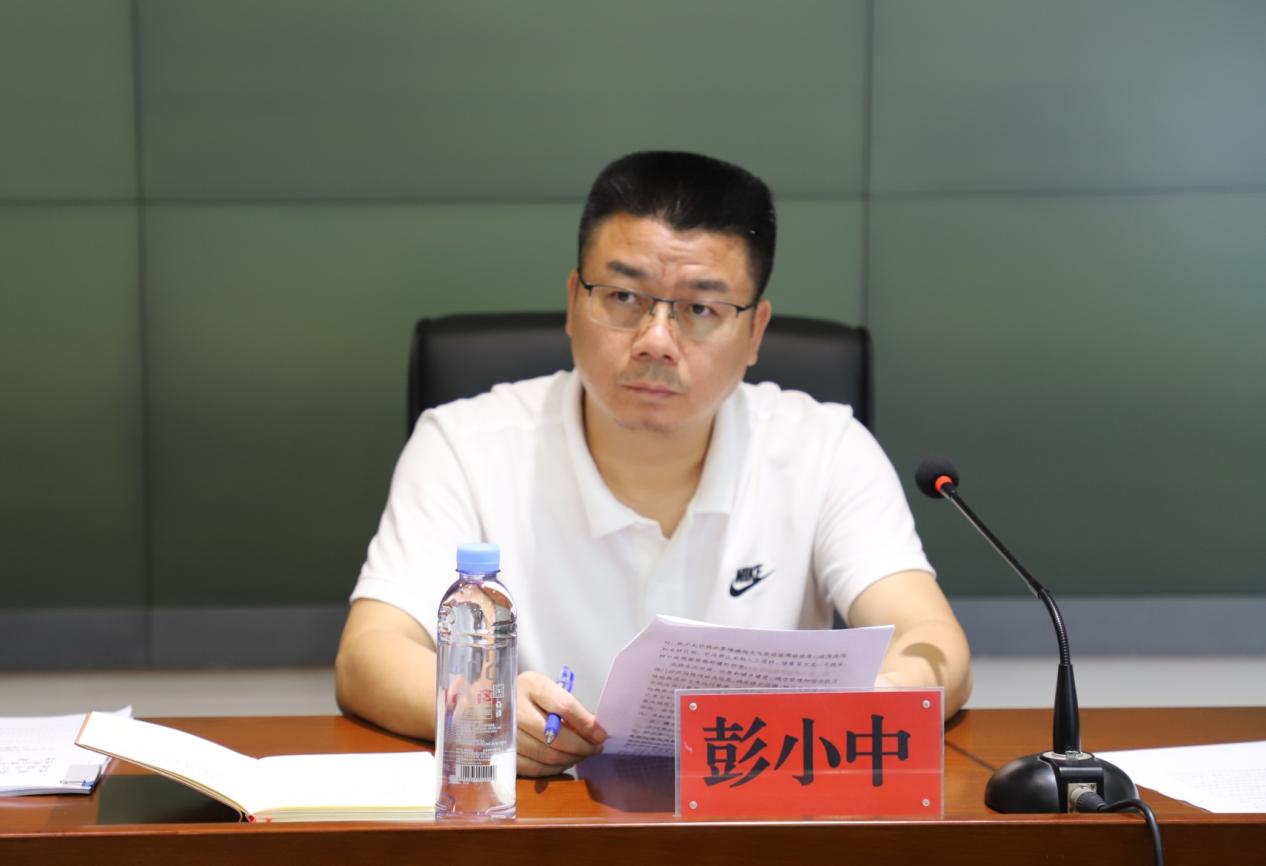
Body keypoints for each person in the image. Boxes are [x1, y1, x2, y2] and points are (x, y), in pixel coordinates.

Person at [335, 151, 972, 778]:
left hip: (756, 813)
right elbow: (369, 654)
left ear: (755, 332)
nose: (656, 341)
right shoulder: (463, 444)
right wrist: (484, 709)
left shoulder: (825, 447)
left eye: (700, 309)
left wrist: (870, 704)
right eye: (622, 296)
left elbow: (931, 641)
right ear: (573, 302)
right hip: (540, 814)